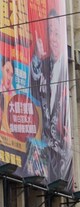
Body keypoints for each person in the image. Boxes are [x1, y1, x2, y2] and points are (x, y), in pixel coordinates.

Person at [29, 9, 72, 183]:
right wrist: (37, 59)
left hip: (62, 154)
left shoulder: (65, 71)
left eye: (56, 32)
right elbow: (34, 89)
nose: (53, 38)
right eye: (50, 32)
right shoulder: (45, 64)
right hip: (45, 150)